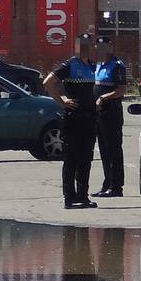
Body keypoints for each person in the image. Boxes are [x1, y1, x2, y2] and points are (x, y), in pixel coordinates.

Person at [44, 32, 100, 209]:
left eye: (89, 45)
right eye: (84, 45)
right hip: (73, 118)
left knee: (86, 158)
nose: (88, 48)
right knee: (71, 158)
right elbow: (48, 83)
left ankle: (83, 196)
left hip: (89, 118)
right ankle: (69, 198)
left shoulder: (91, 66)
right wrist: (62, 102)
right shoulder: (69, 65)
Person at [93, 36, 128, 197]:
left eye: (104, 46)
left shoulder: (117, 66)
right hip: (99, 114)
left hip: (112, 113)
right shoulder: (98, 65)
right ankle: (107, 183)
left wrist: (103, 98)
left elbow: (121, 90)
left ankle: (116, 186)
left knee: (113, 149)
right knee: (104, 151)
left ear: (110, 47)